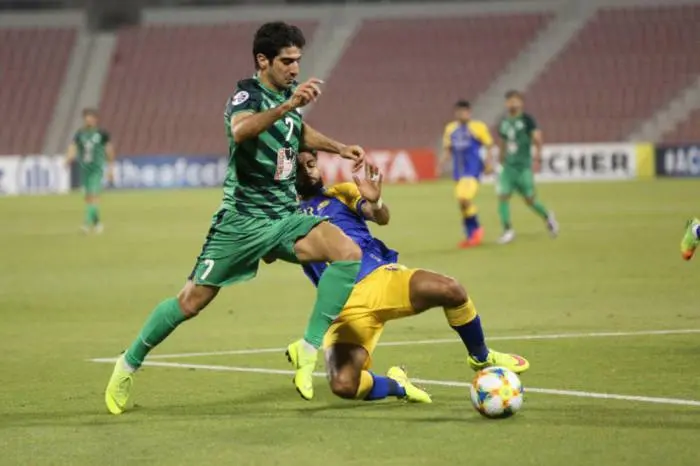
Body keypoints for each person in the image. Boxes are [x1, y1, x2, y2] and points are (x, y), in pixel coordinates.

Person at [104, 21, 367, 414]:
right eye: (286, 61)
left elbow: (296, 130)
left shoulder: (287, 97)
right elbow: (241, 130)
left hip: (284, 217)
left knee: (347, 253)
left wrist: (338, 147)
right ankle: (127, 364)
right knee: (190, 302)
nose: (295, 69)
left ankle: (308, 347)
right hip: (242, 223)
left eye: (297, 60)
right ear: (263, 60)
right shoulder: (247, 95)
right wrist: (288, 106)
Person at [292, 150, 530, 403]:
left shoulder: (340, 193)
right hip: (342, 307)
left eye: (311, 164)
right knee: (344, 384)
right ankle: (398, 385)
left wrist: (376, 203)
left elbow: (381, 218)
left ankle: (481, 356)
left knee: (451, 290)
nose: (308, 171)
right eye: (300, 168)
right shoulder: (282, 216)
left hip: (380, 279)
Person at [496, 90, 558, 244]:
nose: (512, 103)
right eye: (510, 101)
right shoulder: (504, 122)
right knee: (503, 196)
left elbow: (537, 138)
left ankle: (547, 216)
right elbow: (503, 141)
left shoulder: (527, 120)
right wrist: (501, 158)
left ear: (521, 103)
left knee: (529, 200)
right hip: (508, 167)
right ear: (506, 104)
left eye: (515, 100)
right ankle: (508, 230)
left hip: (523, 167)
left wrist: (538, 155)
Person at [439, 100, 493, 248]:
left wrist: (488, 163)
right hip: (459, 173)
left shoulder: (478, 127)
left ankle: (477, 229)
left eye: (464, 111)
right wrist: (441, 164)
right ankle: (470, 237)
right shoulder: (451, 129)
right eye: (459, 112)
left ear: (469, 112)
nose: (461, 114)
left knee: (464, 199)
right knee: (462, 204)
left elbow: (489, 145)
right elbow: (448, 149)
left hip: (472, 171)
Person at [64, 108, 115, 233]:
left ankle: (86, 224)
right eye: (87, 117)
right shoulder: (80, 134)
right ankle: (97, 224)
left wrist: (111, 168)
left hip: (96, 169)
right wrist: (68, 158)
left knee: (94, 196)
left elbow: (109, 150)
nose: (89, 120)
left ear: (95, 119)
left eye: (91, 117)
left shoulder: (102, 133)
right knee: (88, 198)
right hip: (84, 169)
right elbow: (73, 146)